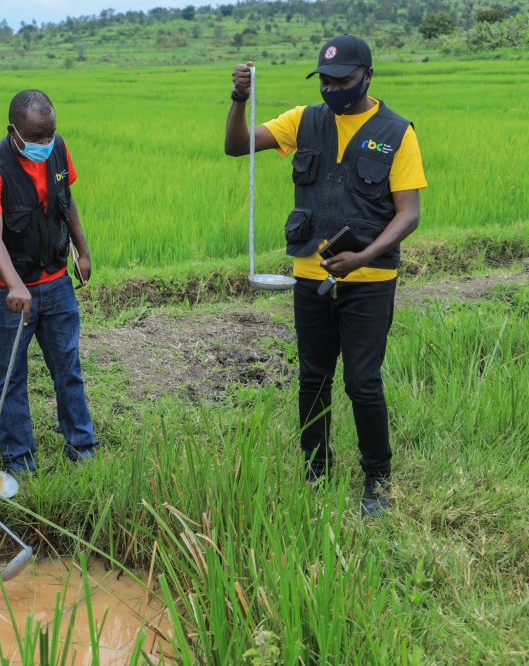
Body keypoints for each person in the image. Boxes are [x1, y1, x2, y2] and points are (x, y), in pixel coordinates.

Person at [224, 35, 427, 517]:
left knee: (362, 381)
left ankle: (378, 478)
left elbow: (408, 214)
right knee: (313, 378)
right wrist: (240, 99)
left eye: (344, 81)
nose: (333, 89)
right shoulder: (304, 120)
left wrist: (363, 258)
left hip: (369, 282)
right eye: (327, 81)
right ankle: (316, 471)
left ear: (367, 77)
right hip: (309, 278)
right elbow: (236, 147)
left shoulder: (396, 132)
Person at [0, 89, 100, 474]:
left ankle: (82, 447)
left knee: (68, 367)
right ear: (14, 131)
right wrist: (14, 284)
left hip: (57, 281)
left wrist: (82, 249)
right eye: (37, 137)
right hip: (7, 292)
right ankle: (19, 461)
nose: (46, 143)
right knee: (11, 377)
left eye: (50, 134)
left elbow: (66, 198)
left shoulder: (57, 148)